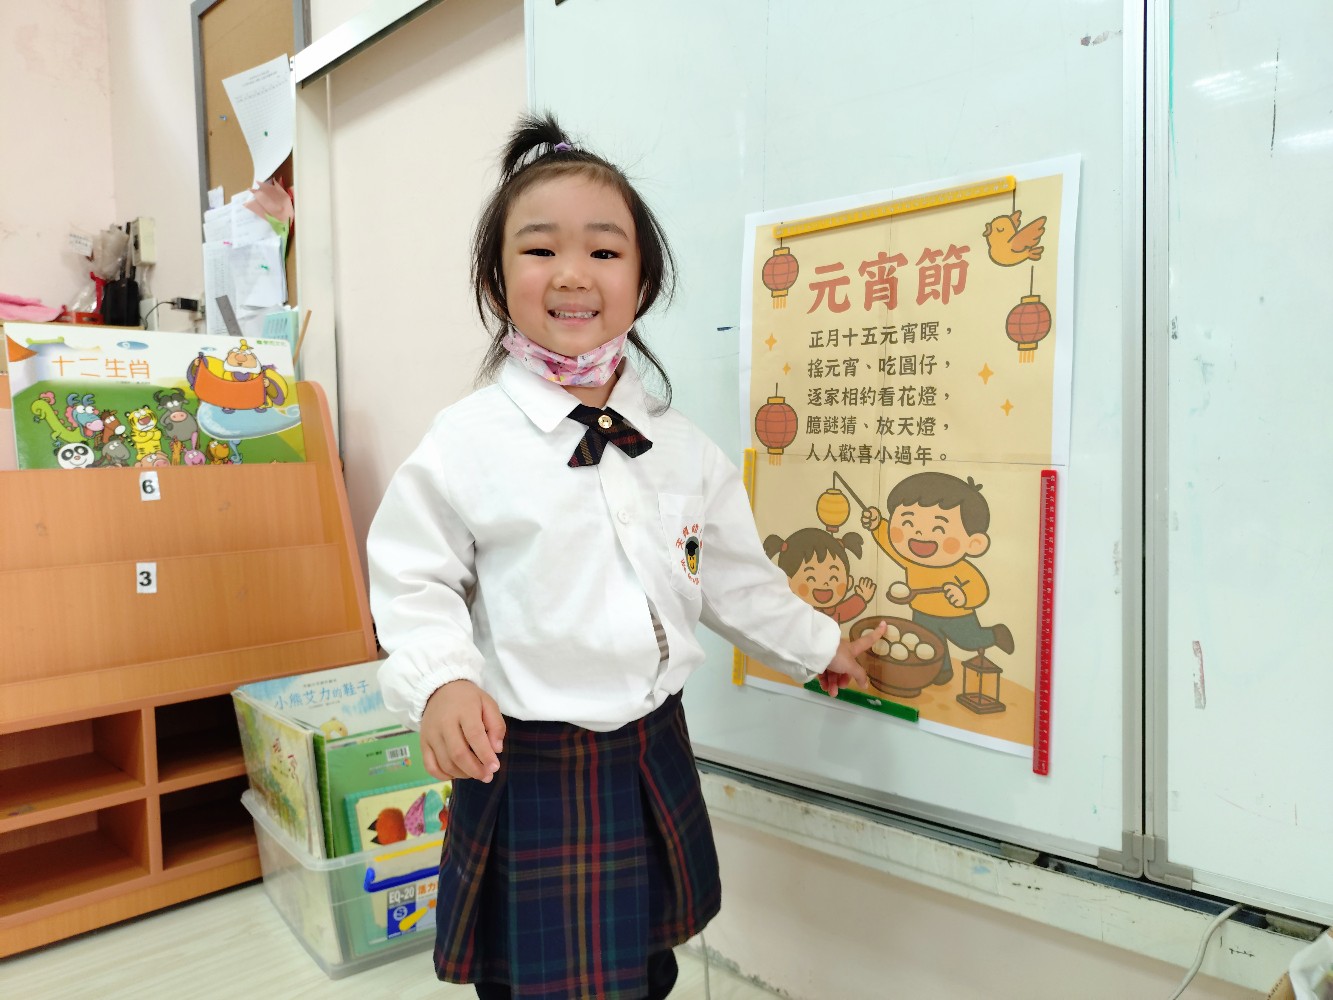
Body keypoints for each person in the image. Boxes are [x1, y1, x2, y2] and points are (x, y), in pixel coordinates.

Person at [367, 112, 884, 1000]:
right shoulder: (466, 440)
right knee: (539, 983)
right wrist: (441, 680)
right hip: (527, 763)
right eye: (540, 250)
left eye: (604, 252)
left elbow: (734, 579)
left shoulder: (682, 448)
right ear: (497, 278)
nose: (573, 274)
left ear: (641, 282)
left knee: (645, 966)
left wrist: (818, 645)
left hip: (651, 747)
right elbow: (414, 577)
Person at [859, 471, 1014, 685]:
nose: (920, 534)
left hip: (957, 615)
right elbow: (889, 543)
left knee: (969, 641)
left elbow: (978, 588)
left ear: (974, 543)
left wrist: (963, 595)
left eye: (939, 528)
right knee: (931, 643)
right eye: (908, 523)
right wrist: (878, 525)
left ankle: (995, 635)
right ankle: (942, 670)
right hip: (922, 612)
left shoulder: (961, 569)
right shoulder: (911, 560)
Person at [763, 526, 877, 623]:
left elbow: (848, 610)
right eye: (811, 578)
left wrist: (861, 598)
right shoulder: (791, 611)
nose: (825, 583)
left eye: (834, 578)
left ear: (849, 581)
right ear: (788, 582)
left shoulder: (834, 612)